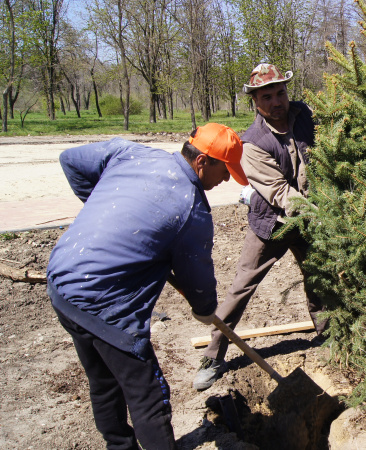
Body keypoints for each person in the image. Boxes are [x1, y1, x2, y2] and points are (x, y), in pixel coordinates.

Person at [47, 124, 248, 449]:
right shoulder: (191, 209)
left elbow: (71, 160)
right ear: (202, 163)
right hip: (105, 304)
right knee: (150, 399)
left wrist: (110, 208)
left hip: (62, 283)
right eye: (225, 171)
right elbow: (200, 291)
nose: (226, 180)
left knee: (103, 382)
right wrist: (204, 311)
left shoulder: (133, 154)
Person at [193, 63, 325, 390]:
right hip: (273, 223)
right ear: (255, 101)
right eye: (267, 96)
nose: (277, 101)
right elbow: (279, 193)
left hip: (312, 218)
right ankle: (212, 355)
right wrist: (322, 213)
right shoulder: (252, 142)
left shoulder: (304, 115)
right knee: (242, 286)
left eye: (280, 92)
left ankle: (329, 336)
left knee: (319, 279)